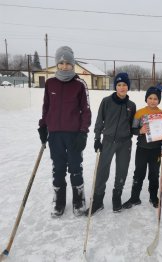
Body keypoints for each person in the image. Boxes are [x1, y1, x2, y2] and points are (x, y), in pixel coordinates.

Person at [38, 46, 92, 218]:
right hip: (55, 134)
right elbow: (46, 107)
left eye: (68, 63)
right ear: (57, 64)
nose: (64, 66)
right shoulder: (50, 84)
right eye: (61, 63)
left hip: (74, 134)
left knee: (75, 167)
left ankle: (79, 200)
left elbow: (86, 110)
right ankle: (59, 201)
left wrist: (83, 132)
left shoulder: (79, 84)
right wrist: (43, 126)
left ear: (73, 64)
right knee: (58, 168)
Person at [87, 72, 136, 215]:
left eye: (124, 85)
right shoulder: (106, 101)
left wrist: (141, 130)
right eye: (119, 85)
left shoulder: (131, 105)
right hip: (108, 141)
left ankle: (117, 197)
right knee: (102, 171)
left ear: (128, 87)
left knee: (122, 170)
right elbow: (99, 121)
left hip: (124, 143)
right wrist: (97, 138)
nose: (122, 87)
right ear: (115, 86)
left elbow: (133, 126)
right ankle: (97, 201)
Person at [122, 87, 162, 209]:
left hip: (156, 150)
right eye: (150, 98)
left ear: (159, 100)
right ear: (146, 99)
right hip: (142, 149)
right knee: (139, 173)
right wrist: (140, 130)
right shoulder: (140, 112)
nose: (153, 101)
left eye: (156, 98)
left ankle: (153, 197)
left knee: (154, 174)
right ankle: (134, 197)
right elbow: (133, 130)